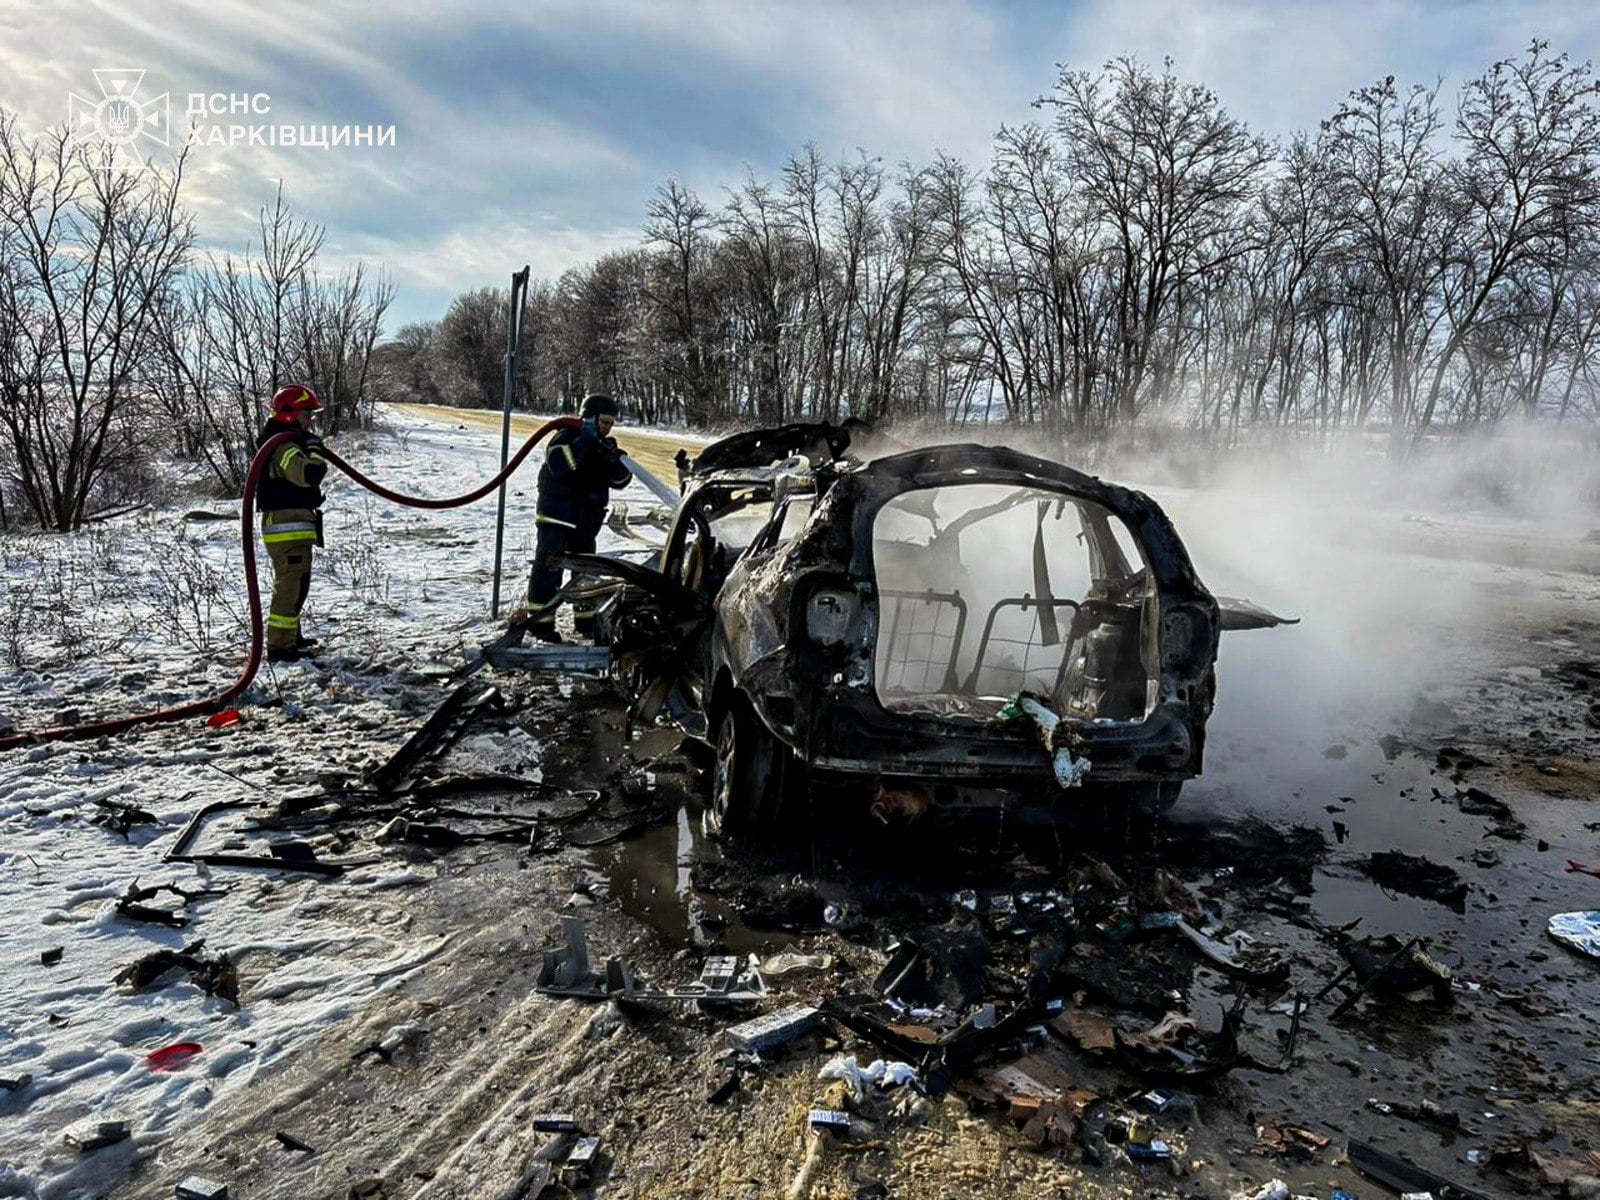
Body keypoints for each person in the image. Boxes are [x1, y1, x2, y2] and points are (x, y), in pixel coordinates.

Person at [525, 393, 633, 642]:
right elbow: (561, 465)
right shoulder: (566, 437)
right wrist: (583, 443)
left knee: (585, 574)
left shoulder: (603, 446)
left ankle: (586, 622)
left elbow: (620, 482)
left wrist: (616, 461)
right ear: (590, 417)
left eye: (611, 423)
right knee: (549, 570)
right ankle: (541, 625)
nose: (607, 427)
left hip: (585, 523)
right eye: (604, 421)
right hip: (558, 519)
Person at [255, 383, 329, 663]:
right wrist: (315, 450)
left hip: (295, 523)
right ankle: (280, 648)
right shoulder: (283, 444)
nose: (311, 421)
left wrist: (310, 444)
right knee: (289, 586)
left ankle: (291, 638)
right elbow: (306, 473)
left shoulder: (287, 440)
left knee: (298, 584)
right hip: (286, 526)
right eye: (307, 415)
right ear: (290, 414)